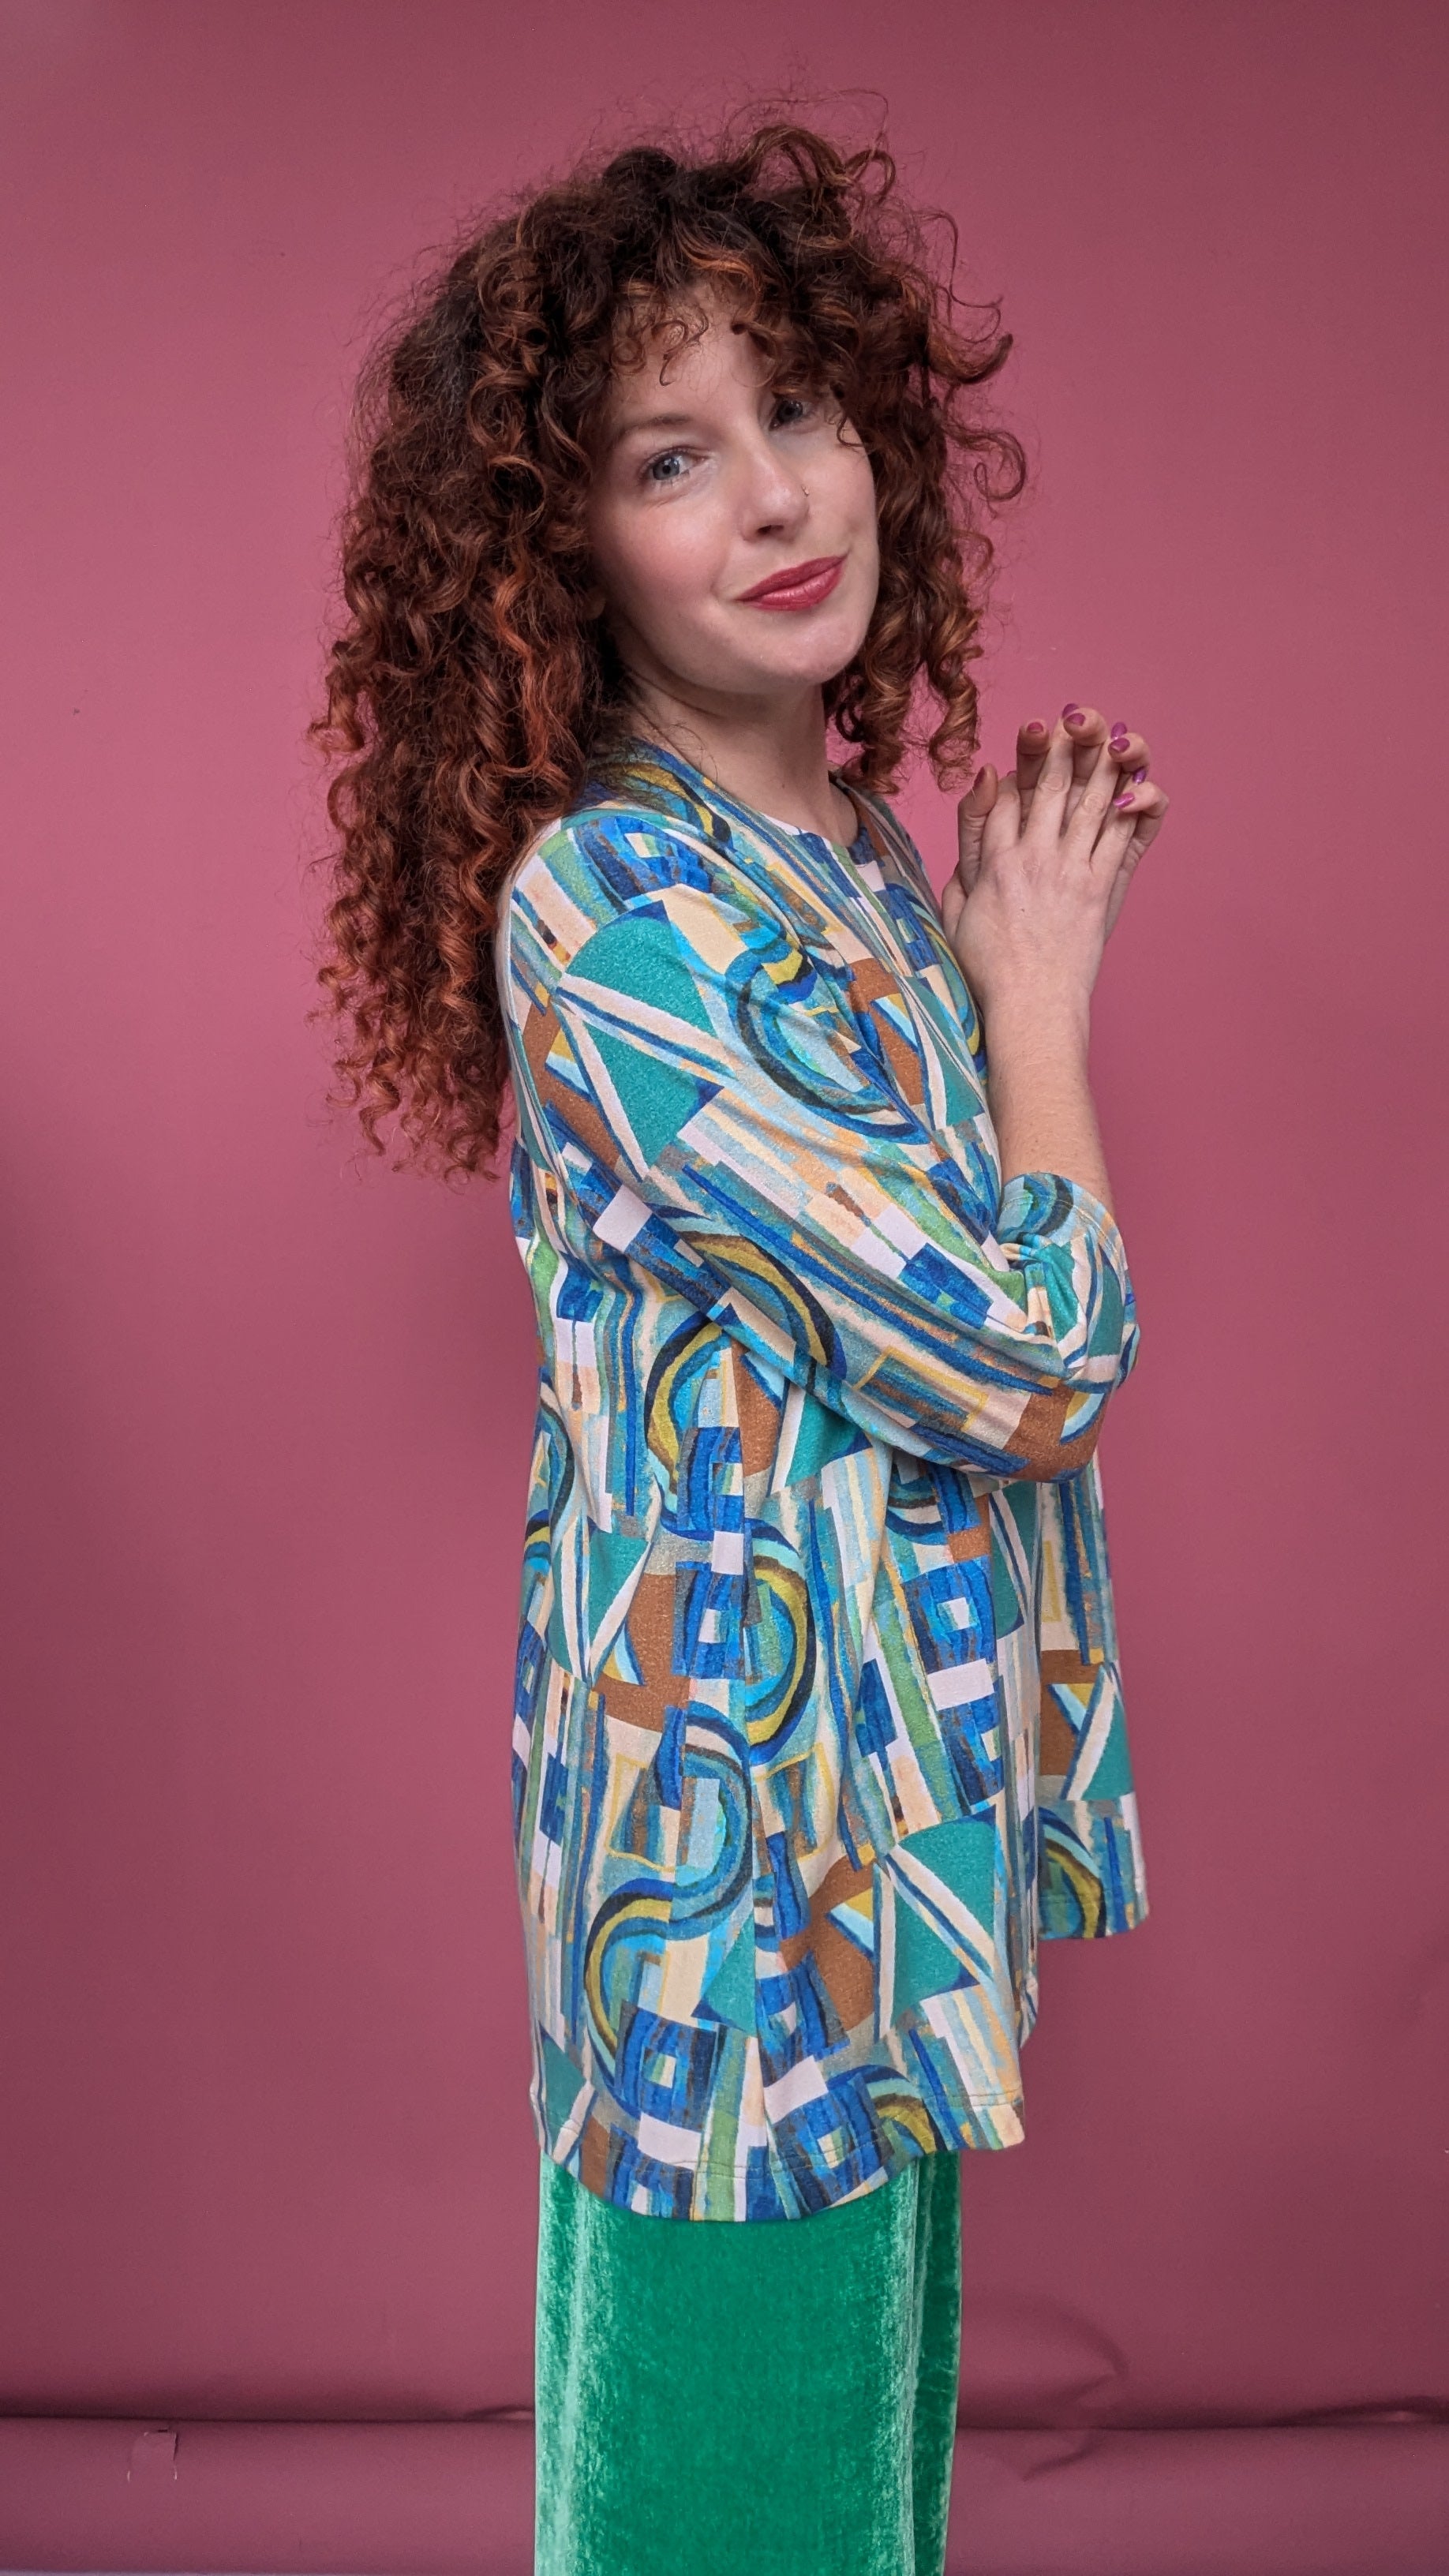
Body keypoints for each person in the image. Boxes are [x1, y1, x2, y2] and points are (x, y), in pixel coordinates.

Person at [312, 113, 1169, 2576]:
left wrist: (969, 950)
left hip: (886, 1844)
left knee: (847, 2501)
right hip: (738, 1893)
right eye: (669, 457)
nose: (779, 494)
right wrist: (1039, 997)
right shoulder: (620, 915)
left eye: (794, 407)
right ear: (560, 547)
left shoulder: (849, 862)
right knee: (729, 2511)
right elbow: (1030, 1364)